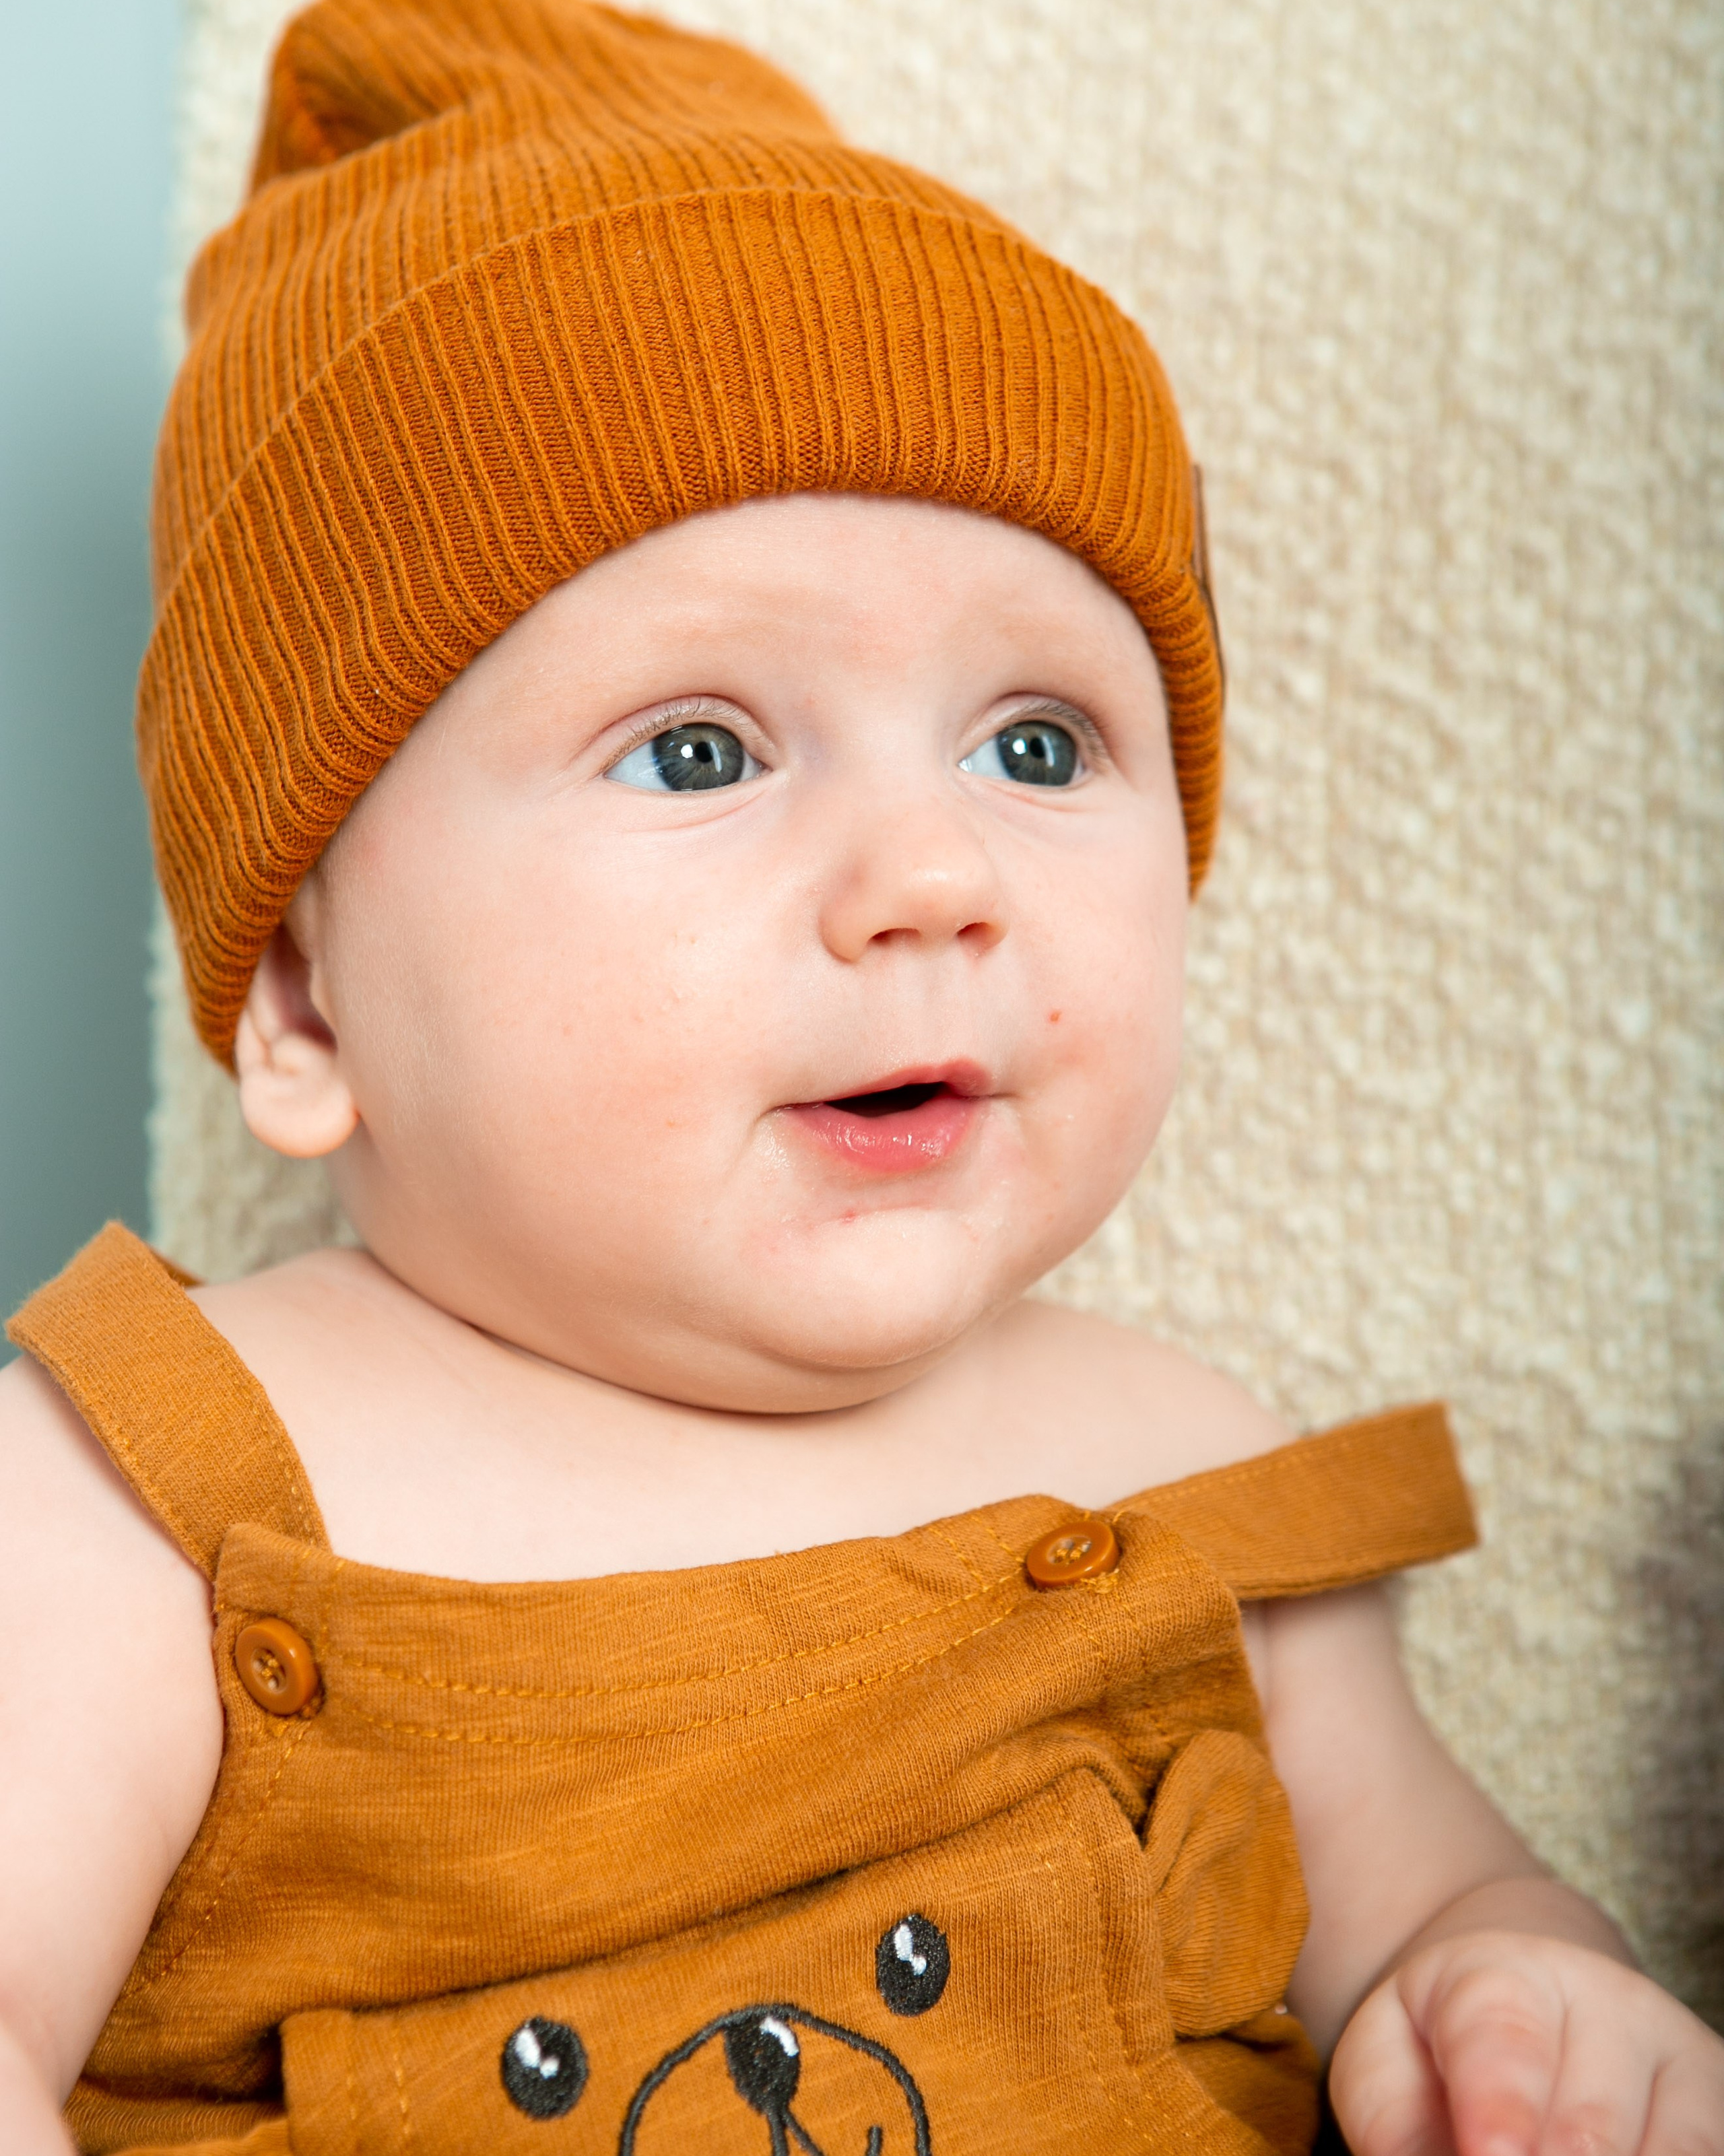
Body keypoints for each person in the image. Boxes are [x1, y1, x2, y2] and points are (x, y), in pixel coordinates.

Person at [1, 1, 1719, 2151]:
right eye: (698, 750)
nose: (934, 875)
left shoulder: (1175, 1468)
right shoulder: (161, 1497)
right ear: (307, 999)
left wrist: (1514, 1992)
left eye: (1037, 742)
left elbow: (1450, 1906)